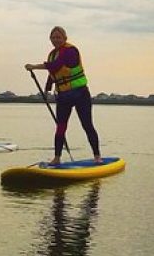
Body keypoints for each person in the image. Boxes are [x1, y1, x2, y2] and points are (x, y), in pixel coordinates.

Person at [25, 26, 102, 165]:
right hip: (63, 95)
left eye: (59, 37)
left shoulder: (70, 50)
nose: (56, 40)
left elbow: (55, 65)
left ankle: (97, 156)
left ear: (65, 38)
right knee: (60, 127)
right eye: (53, 37)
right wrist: (47, 89)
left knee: (87, 125)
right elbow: (53, 73)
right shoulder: (52, 54)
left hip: (80, 94)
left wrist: (34, 66)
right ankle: (57, 158)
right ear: (50, 39)